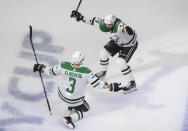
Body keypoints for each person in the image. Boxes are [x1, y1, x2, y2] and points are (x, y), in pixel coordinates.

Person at [33, 51, 123, 129]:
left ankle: (71, 107)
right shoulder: (86, 72)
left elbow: (51, 71)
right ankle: (68, 118)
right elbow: (98, 84)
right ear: (81, 61)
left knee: (71, 96)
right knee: (86, 110)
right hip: (74, 100)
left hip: (62, 95)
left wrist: (41, 68)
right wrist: (110, 87)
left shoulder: (63, 65)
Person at [70, 11, 138, 92]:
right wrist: (81, 17)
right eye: (106, 24)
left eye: (109, 25)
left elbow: (125, 28)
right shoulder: (103, 24)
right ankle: (103, 72)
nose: (107, 26)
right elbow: (93, 20)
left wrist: (127, 30)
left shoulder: (119, 26)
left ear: (113, 23)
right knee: (103, 53)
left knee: (120, 62)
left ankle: (132, 83)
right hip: (117, 41)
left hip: (129, 44)